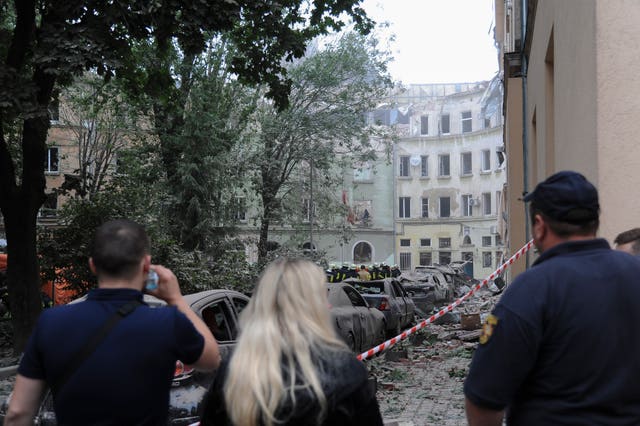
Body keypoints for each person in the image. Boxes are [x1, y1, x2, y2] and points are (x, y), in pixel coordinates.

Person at [464, 171, 640, 425]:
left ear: (539, 225)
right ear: (594, 221)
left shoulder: (530, 291)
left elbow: (483, 399)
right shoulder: (635, 272)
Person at [5, 219, 220, 425]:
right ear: (146, 265)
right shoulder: (167, 322)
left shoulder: (50, 323)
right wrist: (175, 299)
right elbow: (211, 359)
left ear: (92, 266)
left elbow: (18, 413)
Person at [199, 258, 383, 426]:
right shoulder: (346, 371)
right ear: (313, 306)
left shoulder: (232, 372)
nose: (328, 306)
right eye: (322, 297)